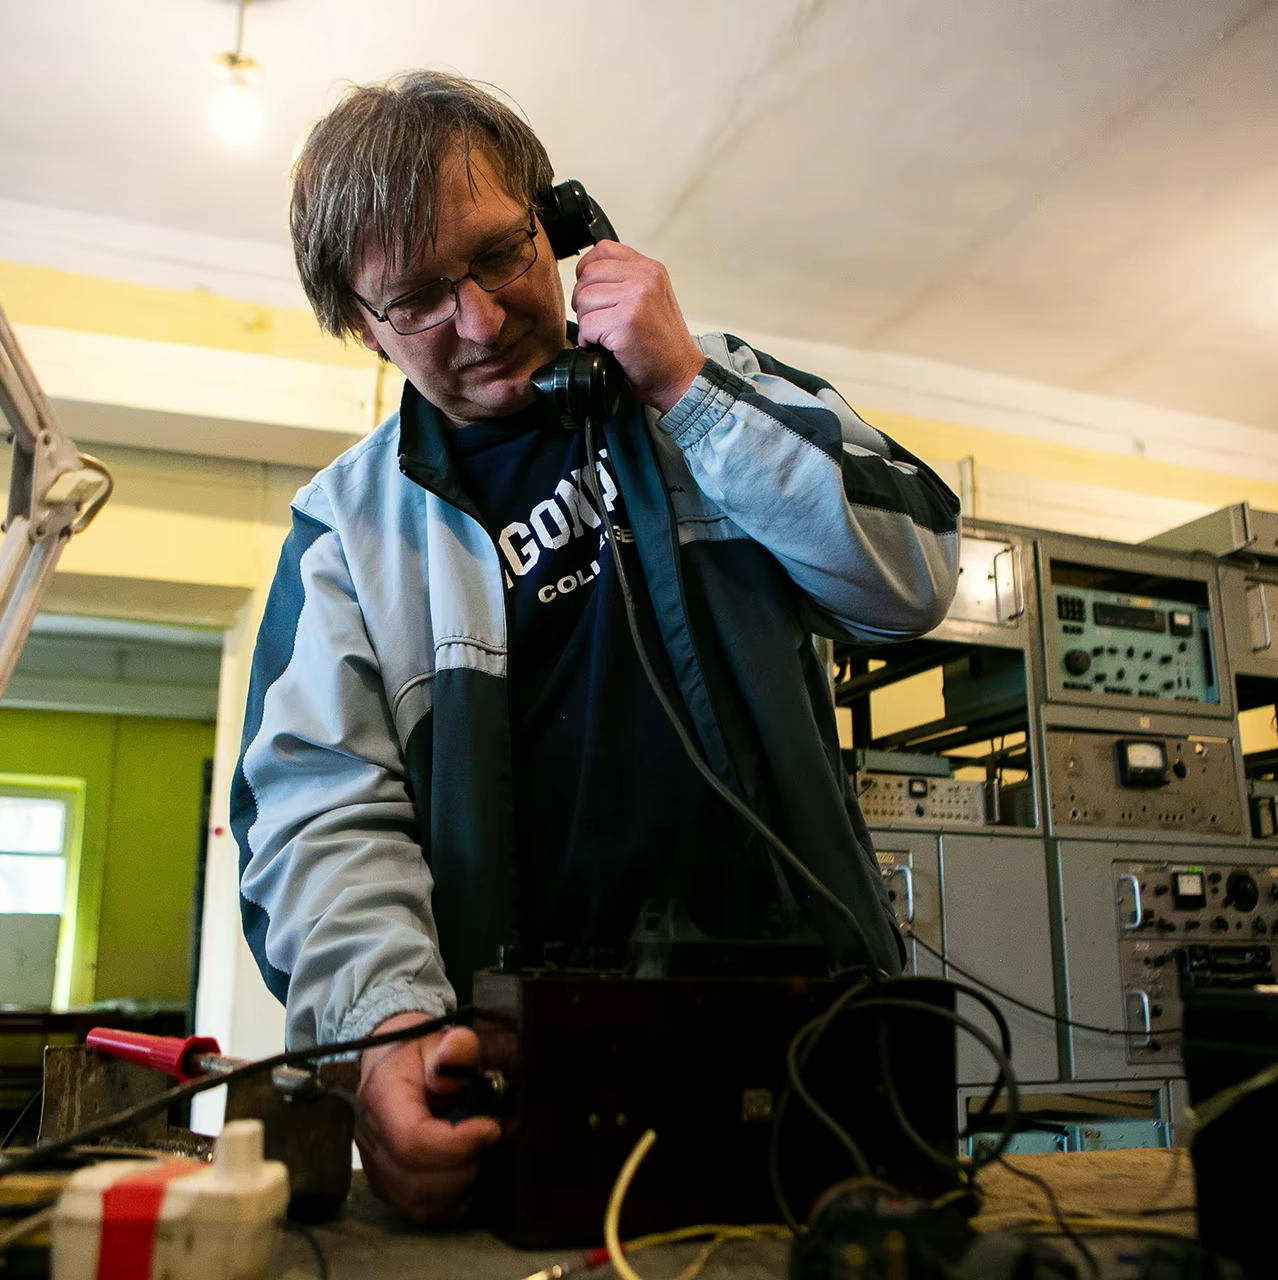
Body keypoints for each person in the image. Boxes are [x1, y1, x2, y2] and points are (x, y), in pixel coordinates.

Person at [232, 71, 961, 1222]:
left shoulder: (708, 383)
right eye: (417, 299)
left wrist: (687, 387)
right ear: (361, 328)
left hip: (813, 1045)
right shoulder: (344, 537)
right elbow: (316, 817)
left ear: (559, 223)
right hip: (530, 1093)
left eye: (501, 254)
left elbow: (913, 577)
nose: (482, 320)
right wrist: (387, 1029)